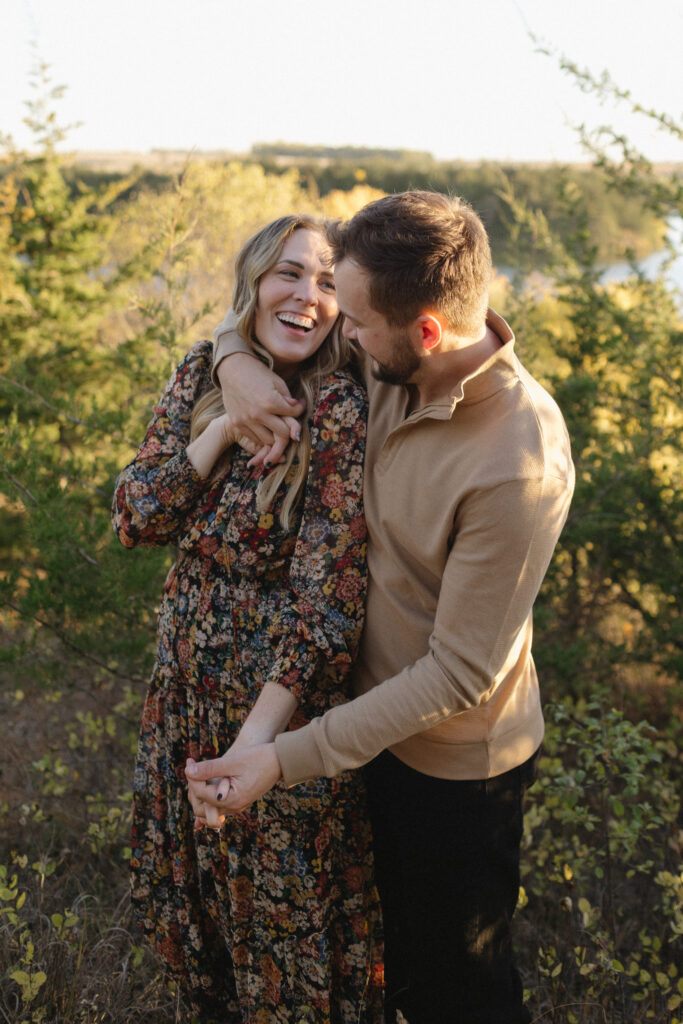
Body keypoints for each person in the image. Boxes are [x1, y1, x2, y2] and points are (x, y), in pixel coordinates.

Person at [186, 190, 576, 1024]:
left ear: (426, 331)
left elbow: (459, 672)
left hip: (452, 770)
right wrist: (235, 363)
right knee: (385, 967)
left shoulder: (518, 462)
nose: (341, 333)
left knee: (457, 987)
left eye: (354, 323)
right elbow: (267, 317)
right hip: (360, 728)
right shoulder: (389, 349)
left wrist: (283, 757)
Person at [112, 215, 383, 1024]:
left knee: (283, 951)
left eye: (329, 283)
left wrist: (254, 746)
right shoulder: (203, 370)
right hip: (181, 708)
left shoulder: (340, 406)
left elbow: (328, 603)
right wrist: (227, 422)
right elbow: (136, 517)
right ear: (254, 280)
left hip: (272, 723)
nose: (305, 297)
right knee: (193, 930)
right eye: (288, 274)